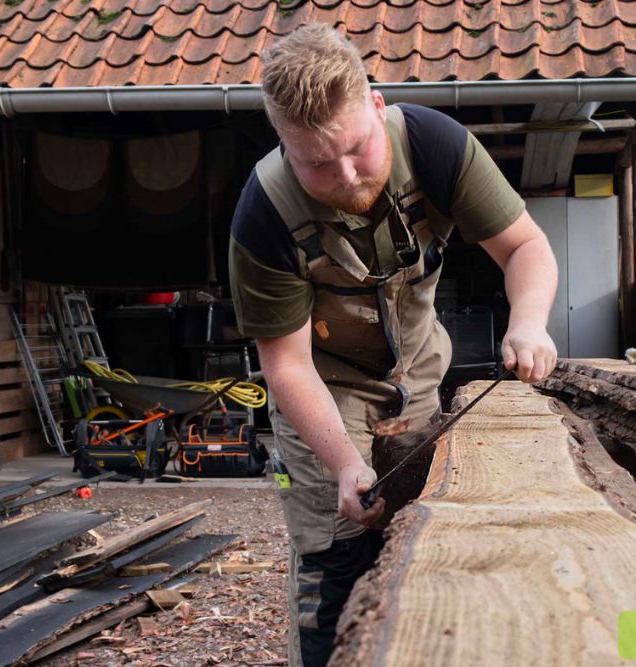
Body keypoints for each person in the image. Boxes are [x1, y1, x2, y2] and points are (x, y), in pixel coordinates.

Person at [228, 24, 559, 667]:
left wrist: (529, 321)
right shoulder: (263, 213)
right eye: (318, 164)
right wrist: (346, 462)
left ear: (377, 105)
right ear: (284, 143)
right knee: (339, 551)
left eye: (357, 149)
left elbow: (525, 246)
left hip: (420, 371)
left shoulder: (437, 146)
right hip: (325, 392)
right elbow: (288, 367)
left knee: (420, 539)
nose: (346, 176)